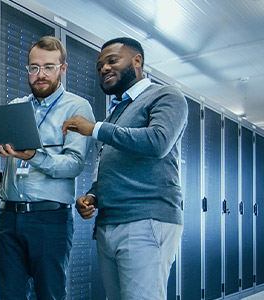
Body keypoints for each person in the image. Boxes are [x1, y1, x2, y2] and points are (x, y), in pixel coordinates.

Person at [62, 37, 188, 300]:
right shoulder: (116, 113)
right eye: (99, 66)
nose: (104, 68)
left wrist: (95, 128)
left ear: (137, 61)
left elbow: (158, 142)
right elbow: (109, 167)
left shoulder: (165, 96)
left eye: (112, 61)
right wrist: (94, 196)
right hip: (109, 223)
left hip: (145, 220)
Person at [0, 36, 95, 300]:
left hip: (50, 219)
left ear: (63, 69)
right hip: (9, 216)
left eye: (49, 67)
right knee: (10, 295)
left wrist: (34, 155)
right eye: (34, 68)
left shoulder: (77, 108)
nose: (40, 75)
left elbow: (73, 165)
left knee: (49, 294)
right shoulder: (16, 107)